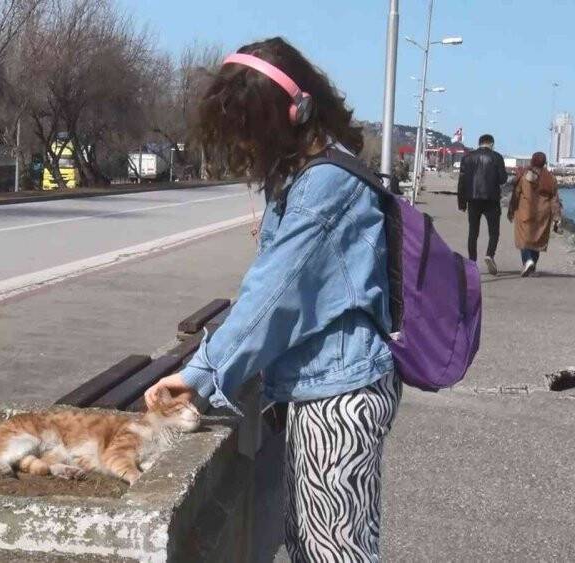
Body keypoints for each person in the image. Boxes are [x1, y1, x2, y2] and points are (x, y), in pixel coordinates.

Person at [143, 38, 400, 560]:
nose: (248, 147)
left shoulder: (321, 186)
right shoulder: (325, 168)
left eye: (253, 132)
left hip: (338, 401)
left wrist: (199, 374)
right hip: (335, 385)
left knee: (333, 552)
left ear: (295, 111)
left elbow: (270, 300)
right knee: (317, 544)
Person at [458, 134, 508, 274]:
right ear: (491, 144)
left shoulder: (467, 157)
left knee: (473, 232)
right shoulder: (497, 157)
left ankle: (472, 262)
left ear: (479, 143)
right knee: (494, 232)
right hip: (491, 199)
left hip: (473, 199)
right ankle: (489, 254)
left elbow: (461, 182)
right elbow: (503, 179)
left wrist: (461, 203)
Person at [507, 152, 562, 277]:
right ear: (544, 162)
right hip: (543, 213)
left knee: (524, 238)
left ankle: (528, 261)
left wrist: (511, 209)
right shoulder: (550, 178)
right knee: (537, 240)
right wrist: (557, 217)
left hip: (525, 211)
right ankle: (532, 266)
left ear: (532, 161)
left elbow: (516, 193)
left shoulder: (524, 175)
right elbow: (554, 199)